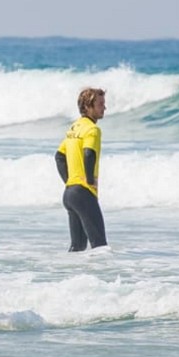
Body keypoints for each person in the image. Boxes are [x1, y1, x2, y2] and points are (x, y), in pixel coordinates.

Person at [55, 88, 108, 252]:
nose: (104, 108)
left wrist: (70, 182)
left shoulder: (74, 128)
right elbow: (89, 152)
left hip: (70, 193)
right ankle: (103, 277)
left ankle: (67, 276)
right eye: (100, 104)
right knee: (100, 246)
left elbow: (59, 156)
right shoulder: (92, 130)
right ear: (88, 106)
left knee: (77, 247)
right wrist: (90, 181)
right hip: (83, 193)